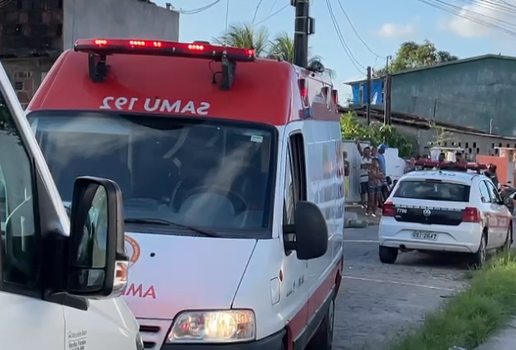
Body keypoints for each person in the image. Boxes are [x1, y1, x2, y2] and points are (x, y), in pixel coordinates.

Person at [356, 140, 372, 209]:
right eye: (366, 151)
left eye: (368, 151)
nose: (367, 152)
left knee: (370, 192)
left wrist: (367, 166)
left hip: (370, 177)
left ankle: (369, 204)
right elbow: (363, 166)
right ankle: (363, 203)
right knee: (363, 191)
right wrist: (358, 143)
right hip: (362, 177)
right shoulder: (362, 158)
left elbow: (371, 166)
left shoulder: (372, 159)